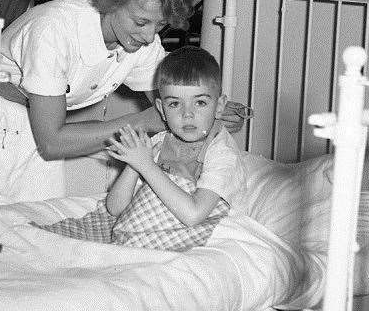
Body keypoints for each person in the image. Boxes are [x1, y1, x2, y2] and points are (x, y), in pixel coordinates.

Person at [0, 0, 247, 212]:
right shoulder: (53, 30)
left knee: (38, 218)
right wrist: (143, 122)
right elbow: (52, 142)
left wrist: (212, 110)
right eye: (141, 22)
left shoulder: (138, 41)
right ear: (110, 2)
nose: (150, 37)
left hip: (41, 122)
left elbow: (176, 98)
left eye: (159, 26)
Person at [38, 46, 247, 251]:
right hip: (146, 235)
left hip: (196, 239)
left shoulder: (221, 152)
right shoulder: (161, 141)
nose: (187, 114)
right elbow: (116, 208)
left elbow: (193, 215)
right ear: (161, 110)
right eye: (175, 104)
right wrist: (134, 165)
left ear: (219, 106)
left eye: (200, 102)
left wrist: (146, 165)